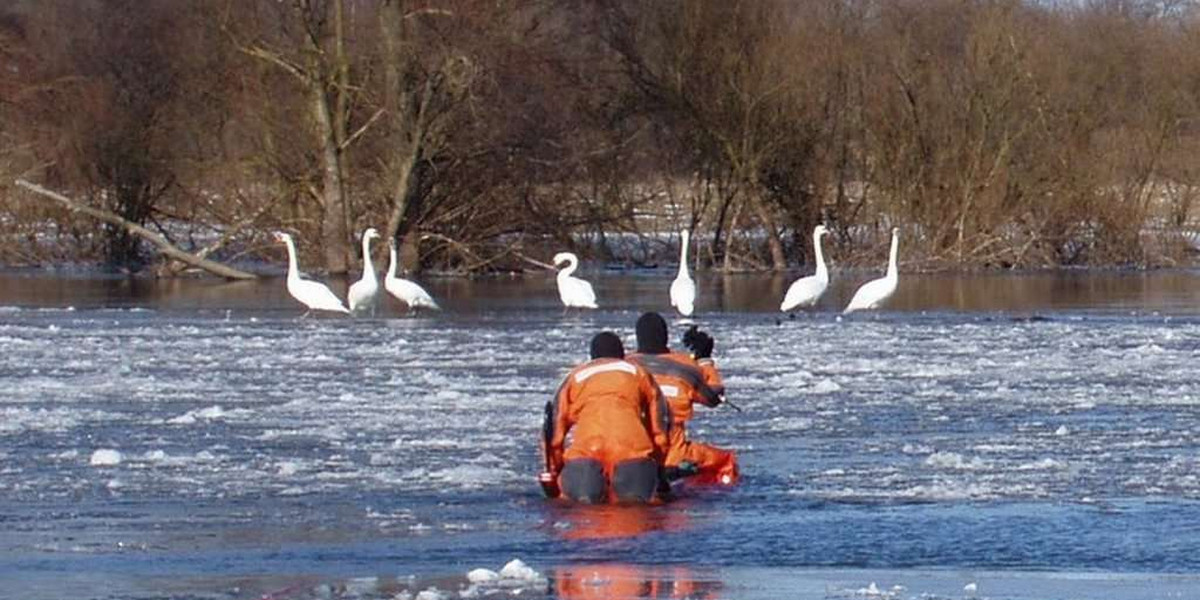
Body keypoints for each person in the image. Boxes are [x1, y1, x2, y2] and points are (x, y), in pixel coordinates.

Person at [541, 331, 672, 504]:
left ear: (592, 358)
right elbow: (661, 429)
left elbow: (554, 436)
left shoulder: (574, 378)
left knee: (581, 510)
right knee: (635, 512)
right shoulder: (640, 373)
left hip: (586, 455)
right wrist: (660, 472)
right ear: (622, 356)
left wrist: (555, 473)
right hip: (632, 454)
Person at [628, 312, 738, 485]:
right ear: (665, 336)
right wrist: (705, 359)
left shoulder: (625, 367)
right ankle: (708, 493)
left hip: (632, 456)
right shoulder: (684, 367)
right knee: (726, 461)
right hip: (675, 456)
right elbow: (714, 397)